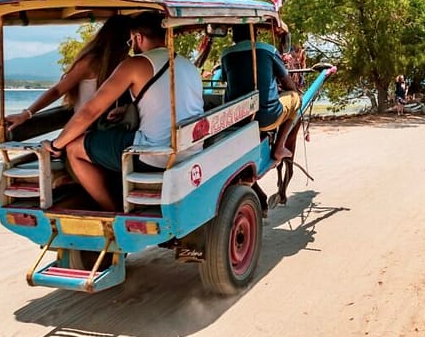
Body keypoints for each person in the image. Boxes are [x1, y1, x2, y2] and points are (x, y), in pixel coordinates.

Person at [40, 12, 204, 211]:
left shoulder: (135, 64)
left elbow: (90, 111)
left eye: (131, 39)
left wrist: (57, 144)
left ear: (138, 37)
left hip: (155, 156)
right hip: (191, 150)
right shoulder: (189, 66)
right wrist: (127, 109)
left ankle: (111, 210)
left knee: (74, 148)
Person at [4, 16, 132, 131]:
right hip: (90, 128)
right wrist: (26, 114)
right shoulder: (92, 62)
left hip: (108, 127)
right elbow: (58, 90)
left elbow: (57, 90)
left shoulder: (125, 62)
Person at [220, 24, 302, 161]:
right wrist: (293, 91)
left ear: (233, 34)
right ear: (255, 33)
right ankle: (279, 146)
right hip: (266, 118)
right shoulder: (268, 50)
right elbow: (287, 83)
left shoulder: (226, 54)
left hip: (236, 118)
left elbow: (225, 79)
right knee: (295, 98)